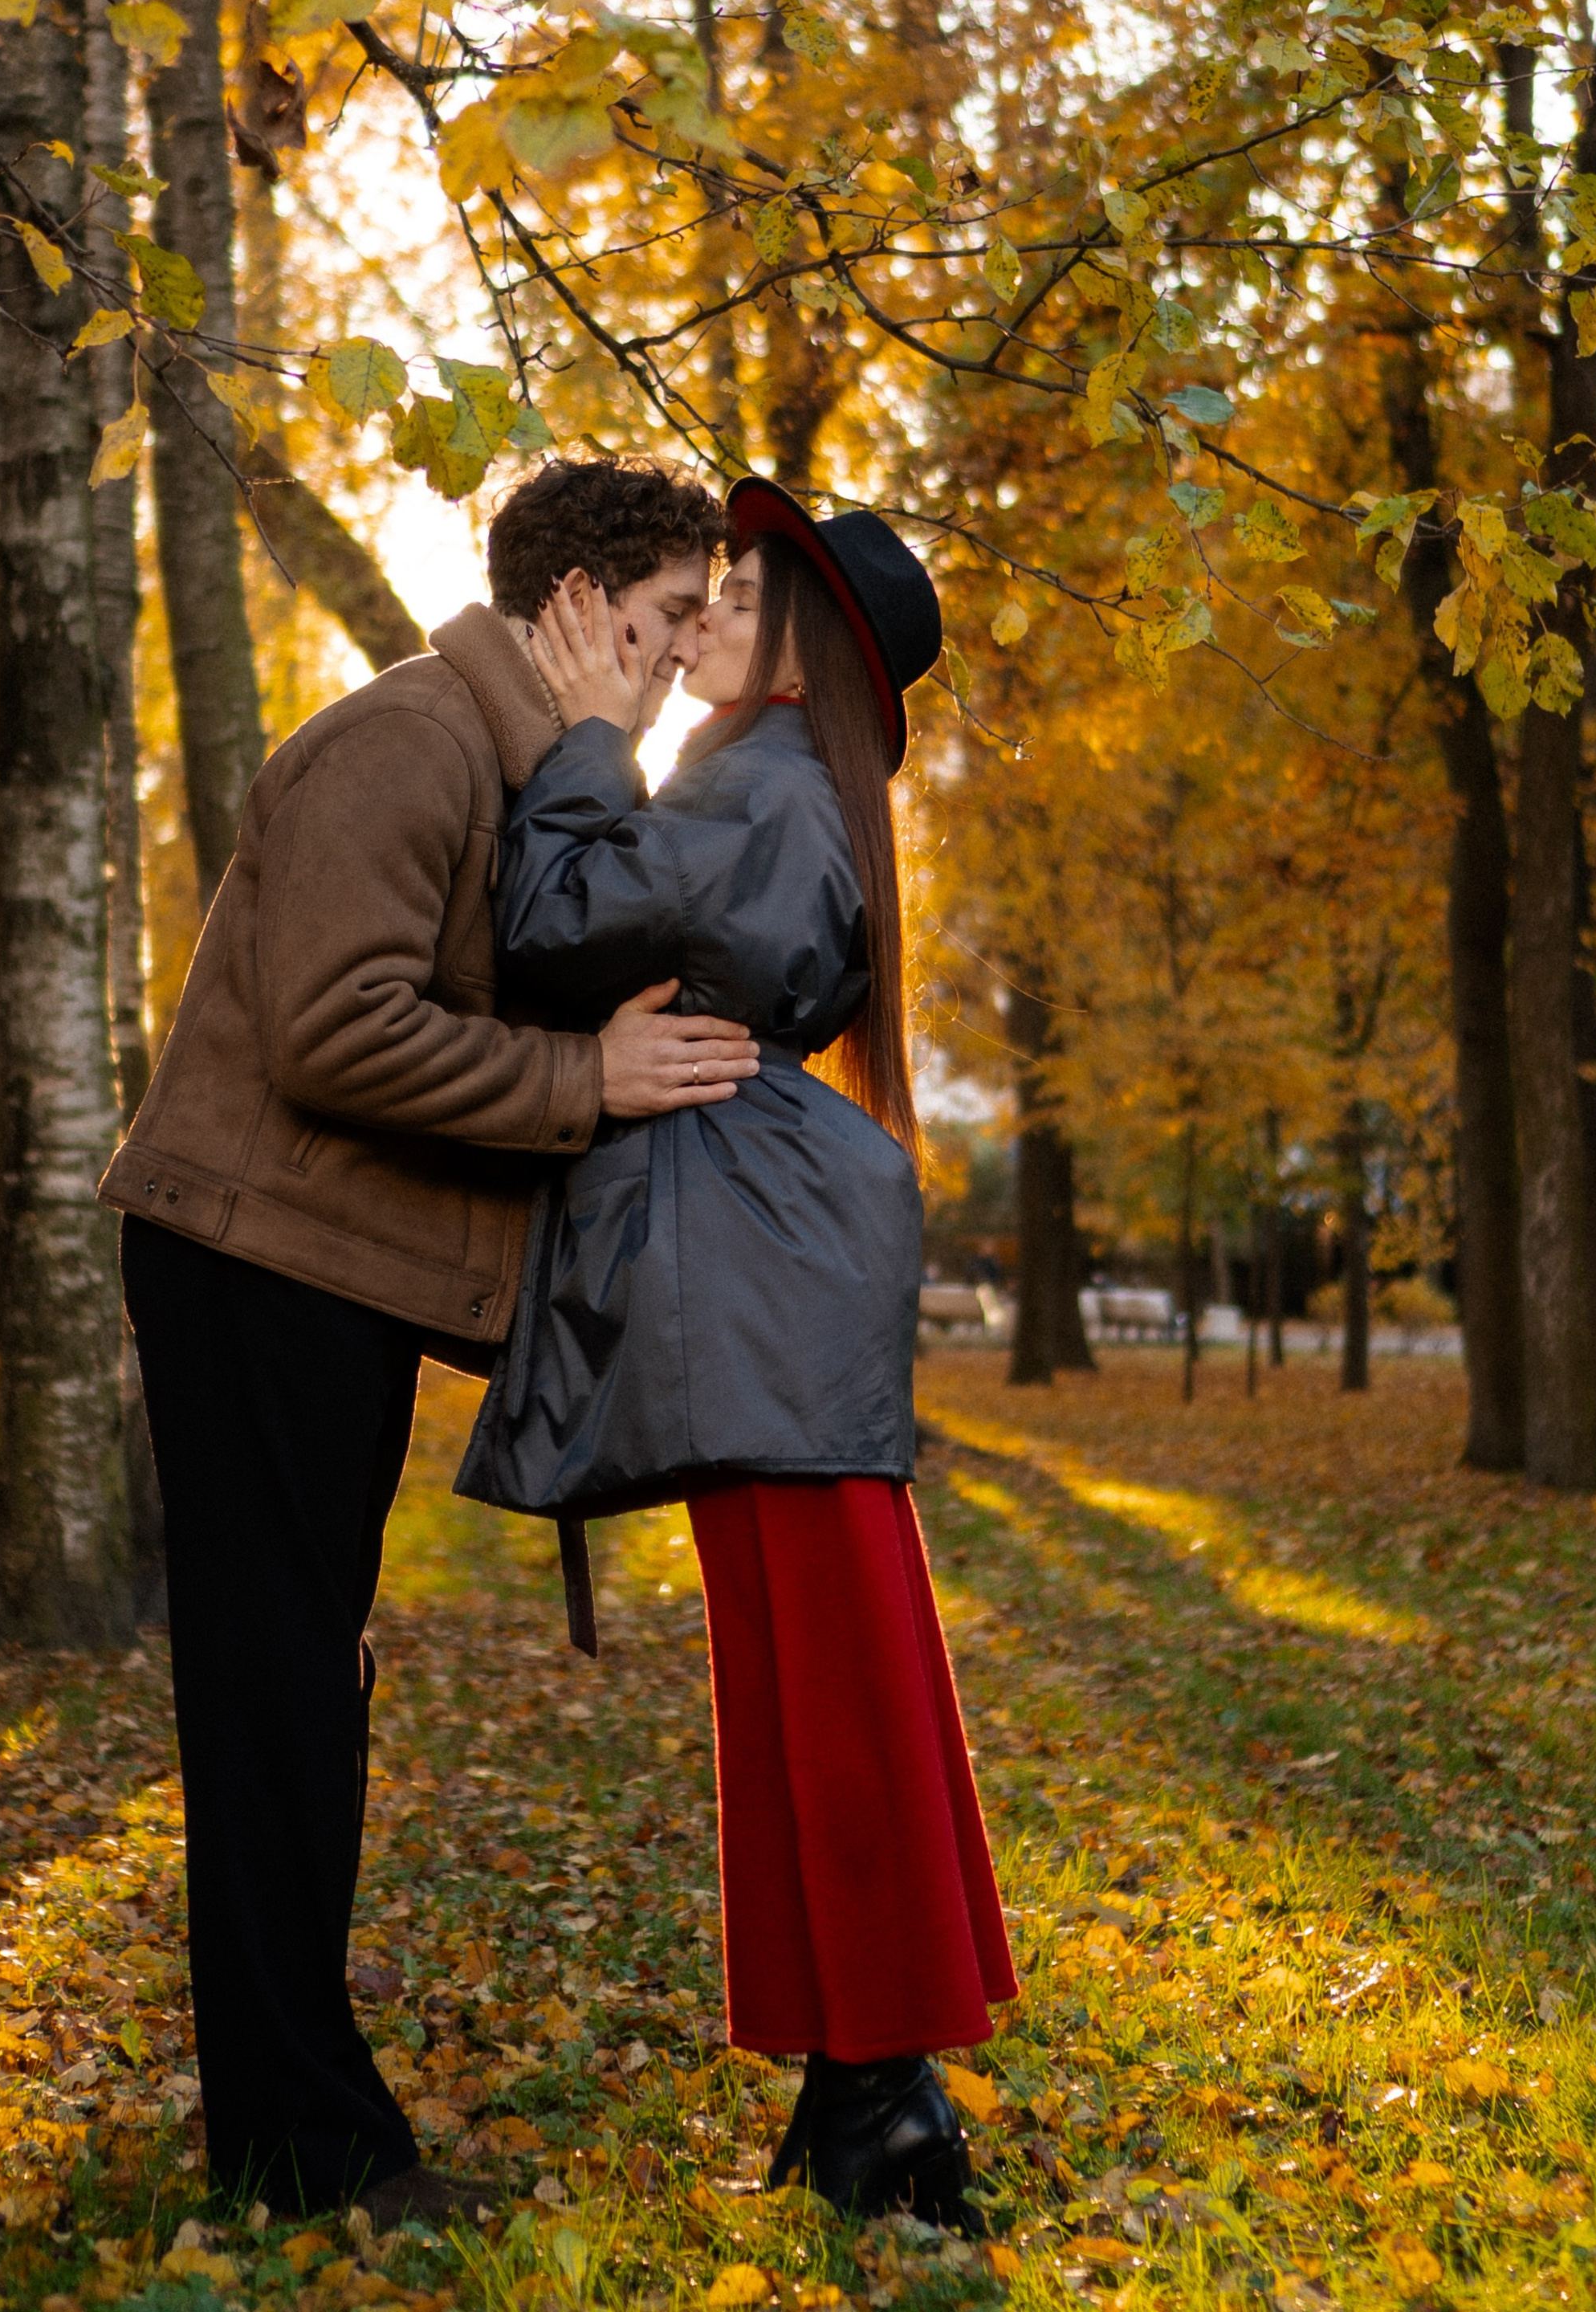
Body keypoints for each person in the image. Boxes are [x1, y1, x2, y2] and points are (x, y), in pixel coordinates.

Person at [100, 457, 763, 2221]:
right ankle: (301, 2151)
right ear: (574, 602)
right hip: (248, 1258)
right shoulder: (400, 742)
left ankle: (289, 2120)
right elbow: (335, 1035)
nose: (687, 656)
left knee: (300, 1687)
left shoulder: (517, 761)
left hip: (321, 1269)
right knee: (273, 1698)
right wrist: (583, 1080)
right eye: (673, 617)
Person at [456, 479, 1016, 2227]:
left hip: (760, 1272)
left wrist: (583, 731)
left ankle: (893, 2100)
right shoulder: (763, 784)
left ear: (797, 663)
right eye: (690, 599)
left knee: (835, 1680)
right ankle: (861, 2084)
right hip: (759, 1263)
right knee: (804, 1678)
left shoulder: (760, 788)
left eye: (734, 599)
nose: (692, 619)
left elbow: (548, 923)